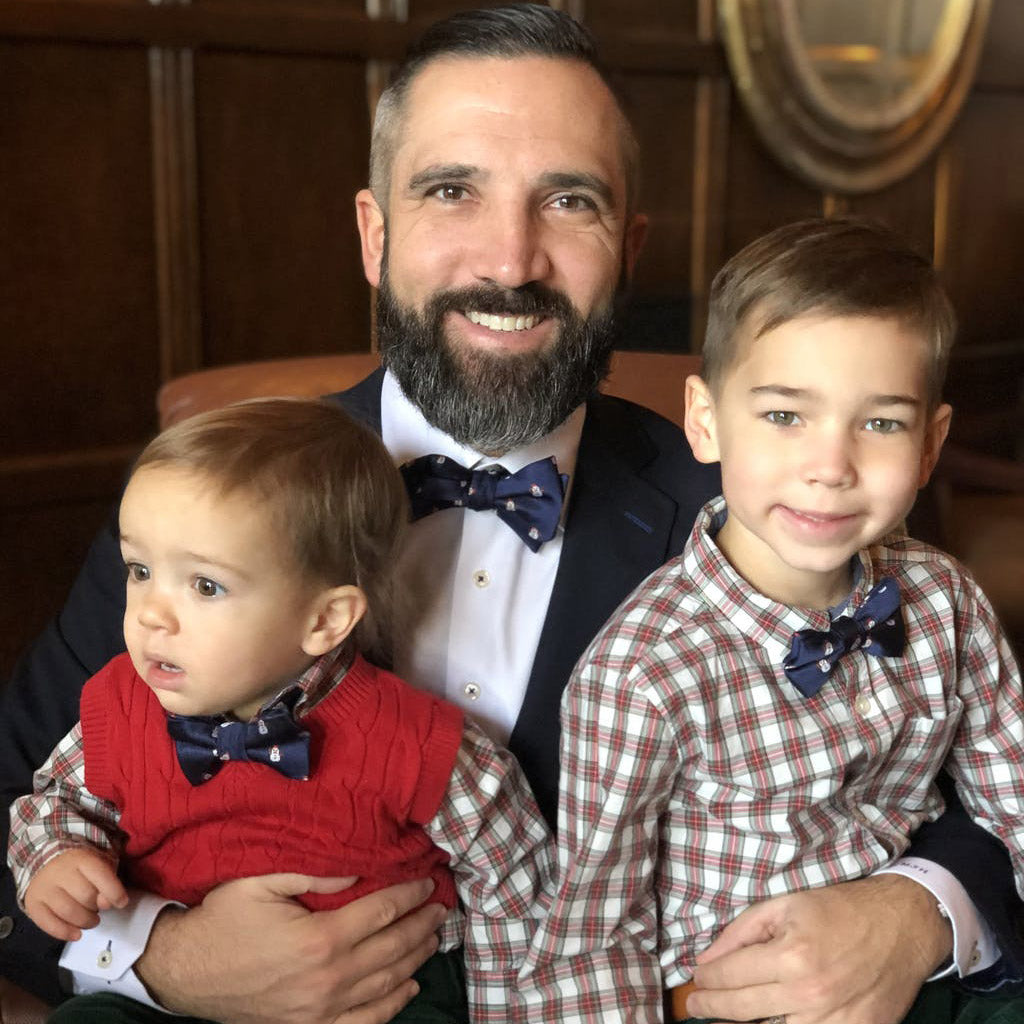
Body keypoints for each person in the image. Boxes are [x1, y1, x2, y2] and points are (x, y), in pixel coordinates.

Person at [0, 7, 1020, 1023]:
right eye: (451, 189)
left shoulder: (765, 503)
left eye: (567, 201)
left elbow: (968, 764)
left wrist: (919, 910)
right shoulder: (202, 505)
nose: (509, 259)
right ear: (373, 232)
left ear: (626, 248)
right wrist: (156, 956)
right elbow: (26, 792)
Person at [517, 217, 1024, 1024]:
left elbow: (1014, 798)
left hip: (924, 973)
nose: (830, 466)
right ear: (707, 419)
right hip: (729, 999)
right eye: (786, 415)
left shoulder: (947, 601)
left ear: (931, 446)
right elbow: (591, 936)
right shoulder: (642, 673)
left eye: (881, 423)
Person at [8, 398, 552, 1024]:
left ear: (324, 620)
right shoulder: (120, 702)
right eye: (140, 570)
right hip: (169, 993)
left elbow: (517, 882)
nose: (151, 614)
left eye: (205, 585)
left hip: (386, 990)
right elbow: (53, 801)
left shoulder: (418, 740)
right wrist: (56, 858)